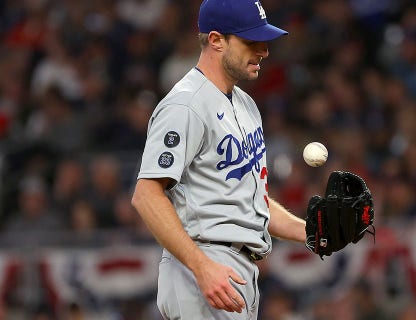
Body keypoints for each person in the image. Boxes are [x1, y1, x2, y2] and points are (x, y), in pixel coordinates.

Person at [130, 0, 307, 319]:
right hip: (204, 264)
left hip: (238, 269)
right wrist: (201, 267)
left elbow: (252, 202)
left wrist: (310, 233)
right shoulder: (186, 106)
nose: (264, 50)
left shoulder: (246, 105)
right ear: (216, 40)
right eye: (251, 41)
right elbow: (146, 195)